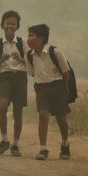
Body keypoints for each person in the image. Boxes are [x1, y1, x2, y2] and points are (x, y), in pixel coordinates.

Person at [25, 24, 71, 161]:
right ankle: (43, 148)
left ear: (41, 38)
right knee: (43, 115)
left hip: (58, 86)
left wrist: (65, 87)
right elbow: (32, 73)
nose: (29, 39)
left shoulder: (54, 52)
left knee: (61, 118)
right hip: (41, 88)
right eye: (28, 35)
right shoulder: (29, 55)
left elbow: (65, 70)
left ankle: (65, 144)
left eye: (32, 36)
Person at [0, 11, 29, 157]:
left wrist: (20, 59)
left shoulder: (23, 42)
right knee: (2, 106)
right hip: (4, 77)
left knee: (18, 111)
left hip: (20, 76)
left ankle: (15, 144)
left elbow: (31, 64)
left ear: (17, 26)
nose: (10, 26)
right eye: (8, 23)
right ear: (3, 25)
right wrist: (1, 59)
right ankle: (4, 139)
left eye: (13, 23)